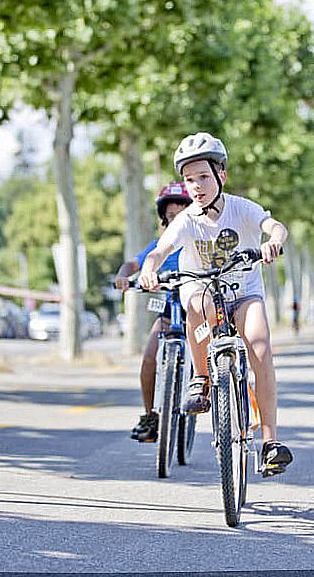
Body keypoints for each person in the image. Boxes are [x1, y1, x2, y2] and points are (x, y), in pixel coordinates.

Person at [138, 133, 293, 476]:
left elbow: (275, 226)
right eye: (189, 180)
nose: (196, 186)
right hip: (205, 297)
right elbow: (160, 251)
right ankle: (202, 379)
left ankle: (269, 443)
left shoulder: (241, 208)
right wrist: (150, 269)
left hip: (244, 294)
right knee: (194, 304)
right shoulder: (186, 220)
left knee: (260, 347)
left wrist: (273, 242)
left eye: (204, 177)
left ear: (221, 176)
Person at [114, 181, 192, 443]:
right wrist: (124, 276)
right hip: (171, 310)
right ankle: (150, 416)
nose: (175, 221)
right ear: (163, 219)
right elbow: (133, 264)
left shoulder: (200, 241)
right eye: (170, 217)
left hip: (199, 311)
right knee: (149, 357)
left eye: (181, 216)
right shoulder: (158, 246)